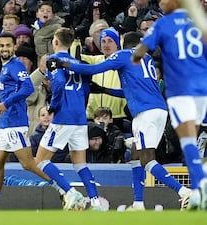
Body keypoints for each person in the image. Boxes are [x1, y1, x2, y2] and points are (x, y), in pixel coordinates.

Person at [47, 31, 191, 210]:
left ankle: (184, 192)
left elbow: (94, 69)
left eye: (110, 41)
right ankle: (138, 204)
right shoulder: (146, 59)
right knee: (136, 157)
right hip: (158, 110)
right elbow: (131, 91)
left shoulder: (124, 55)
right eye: (103, 41)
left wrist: (64, 64)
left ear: (122, 42)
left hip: (145, 113)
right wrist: (105, 91)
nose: (106, 45)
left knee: (147, 160)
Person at [131, 0, 207, 210]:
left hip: (181, 90)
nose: (162, 3)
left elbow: (140, 51)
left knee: (189, 143)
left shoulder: (165, 24)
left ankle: (194, 192)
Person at [0, 32, 61, 211]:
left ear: (14, 47)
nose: (5, 49)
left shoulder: (16, 65)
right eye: (2, 46)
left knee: (27, 163)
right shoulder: (6, 66)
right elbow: (0, 87)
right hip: (5, 123)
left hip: (15, 122)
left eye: (8, 45)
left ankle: (63, 189)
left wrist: (6, 104)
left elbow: (28, 87)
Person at [35, 27, 108, 211]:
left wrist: (53, 106)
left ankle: (70, 192)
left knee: (40, 161)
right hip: (79, 118)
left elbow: (58, 83)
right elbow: (85, 90)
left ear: (56, 42)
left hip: (63, 118)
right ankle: (96, 203)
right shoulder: (77, 62)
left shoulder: (53, 60)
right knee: (80, 164)